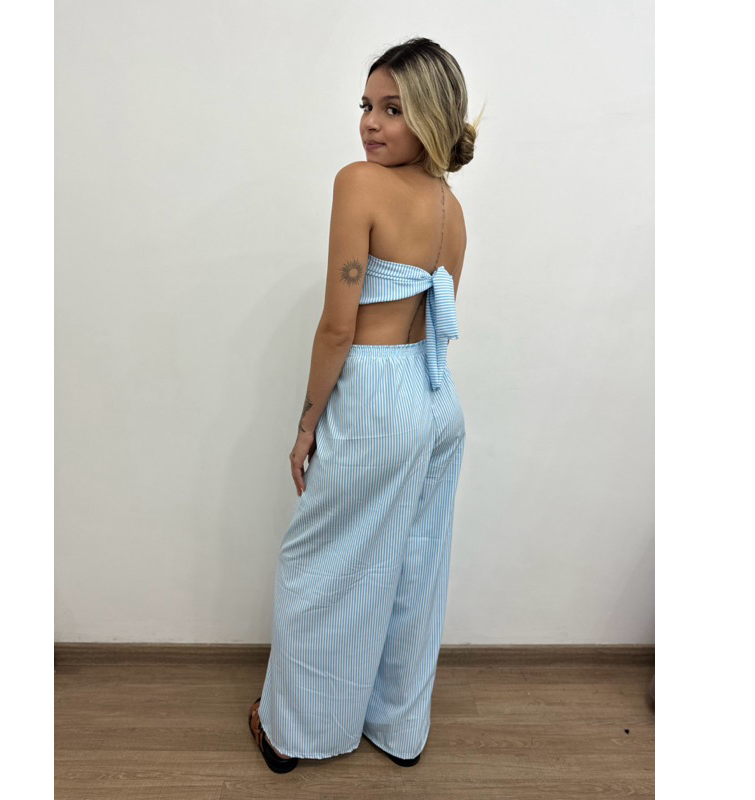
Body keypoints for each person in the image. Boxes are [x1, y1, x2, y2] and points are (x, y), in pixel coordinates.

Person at [248, 36, 483, 773]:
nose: (370, 124)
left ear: (431, 117)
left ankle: (292, 732)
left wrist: (307, 424)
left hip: (379, 397)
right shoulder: (452, 210)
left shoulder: (360, 184)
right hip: (436, 401)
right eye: (366, 105)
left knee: (318, 564)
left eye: (394, 109)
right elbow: (435, 318)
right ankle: (396, 726)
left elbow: (338, 327)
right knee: (412, 566)